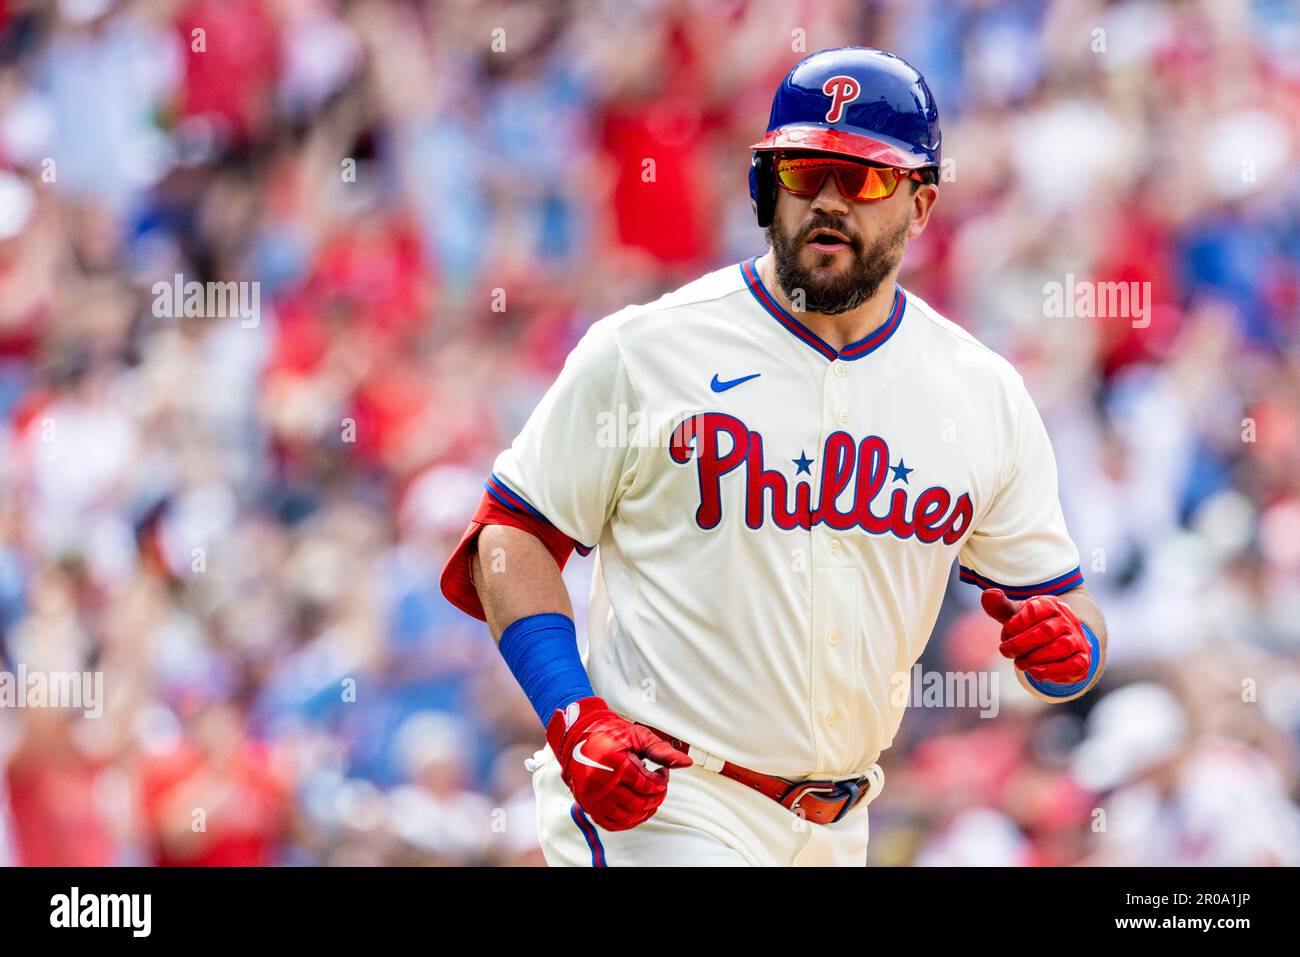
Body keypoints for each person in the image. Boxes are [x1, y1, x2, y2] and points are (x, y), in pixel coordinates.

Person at [441, 47, 1107, 867]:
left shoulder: (981, 393)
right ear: (766, 185)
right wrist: (571, 712)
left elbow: (1065, 607)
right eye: (801, 172)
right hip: (666, 794)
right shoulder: (648, 349)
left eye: (860, 179)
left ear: (921, 204)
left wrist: (1074, 648)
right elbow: (509, 536)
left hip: (839, 823)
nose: (826, 200)